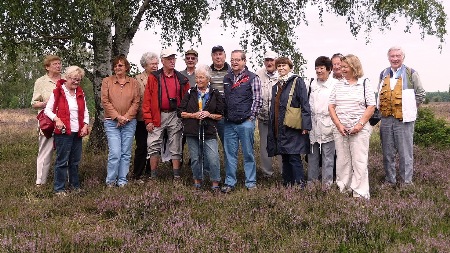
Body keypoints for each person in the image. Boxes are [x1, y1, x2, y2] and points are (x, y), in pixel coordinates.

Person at [328, 54, 375, 199]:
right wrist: (339, 125)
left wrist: (359, 125)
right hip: (341, 130)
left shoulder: (364, 83)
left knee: (359, 161)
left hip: (359, 130)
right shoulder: (337, 85)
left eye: (344, 67)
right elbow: (331, 106)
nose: (341, 69)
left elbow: (371, 106)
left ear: (354, 67)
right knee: (342, 160)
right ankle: (344, 188)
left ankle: (360, 192)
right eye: (341, 67)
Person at [378, 46, 425, 187]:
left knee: (405, 153)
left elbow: (421, 93)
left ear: (403, 57)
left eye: (398, 56)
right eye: (392, 56)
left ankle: (406, 183)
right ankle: (389, 180)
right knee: (387, 152)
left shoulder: (411, 73)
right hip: (386, 119)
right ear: (388, 58)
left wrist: (410, 108)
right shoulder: (383, 73)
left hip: (404, 120)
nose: (395, 59)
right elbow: (379, 93)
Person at [142, 48, 190, 180]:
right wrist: (148, 120)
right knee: (153, 145)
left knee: (176, 145)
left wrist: (184, 116)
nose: (172, 61)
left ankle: (176, 176)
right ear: (162, 61)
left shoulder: (181, 79)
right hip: (158, 115)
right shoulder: (154, 77)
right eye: (169, 58)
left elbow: (187, 99)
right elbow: (147, 100)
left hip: (175, 115)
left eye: (173, 58)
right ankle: (153, 176)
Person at [221, 50, 262, 193]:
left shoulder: (252, 77)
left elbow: (257, 100)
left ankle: (251, 183)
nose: (234, 62)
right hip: (229, 123)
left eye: (238, 60)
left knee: (248, 154)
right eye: (232, 60)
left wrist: (251, 118)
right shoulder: (227, 78)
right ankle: (229, 182)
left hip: (245, 122)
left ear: (244, 61)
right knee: (229, 154)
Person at [44, 66, 89, 196]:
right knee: (62, 161)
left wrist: (85, 125)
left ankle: (75, 187)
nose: (76, 82)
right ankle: (59, 189)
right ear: (67, 78)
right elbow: (48, 110)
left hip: (77, 133)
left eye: (79, 80)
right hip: (63, 133)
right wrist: (56, 119)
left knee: (75, 161)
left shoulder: (80, 93)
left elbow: (85, 111)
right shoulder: (58, 91)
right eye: (74, 79)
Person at [267, 57, 311, 187]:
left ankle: (299, 184)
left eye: (284, 65)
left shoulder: (298, 82)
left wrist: (306, 125)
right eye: (279, 66)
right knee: (284, 156)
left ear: (290, 67)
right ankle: (287, 184)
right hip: (279, 126)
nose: (281, 68)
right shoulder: (276, 86)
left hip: (293, 126)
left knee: (293, 156)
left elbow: (305, 103)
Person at [178, 64, 224, 191]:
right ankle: (197, 182)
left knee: (213, 158)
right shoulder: (190, 92)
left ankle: (215, 183)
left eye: (202, 77)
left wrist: (209, 115)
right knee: (195, 158)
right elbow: (180, 112)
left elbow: (220, 115)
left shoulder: (215, 93)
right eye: (197, 77)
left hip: (209, 130)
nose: (198, 80)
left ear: (208, 79)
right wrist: (194, 115)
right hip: (192, 130)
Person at [101, 55, 140, 188]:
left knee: (125, 153)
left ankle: (122, 180)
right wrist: (118, 117)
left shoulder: (134, 82)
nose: (117, 67)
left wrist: (126, 118)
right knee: (115, 152)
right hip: (111, 122)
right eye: (116, 65)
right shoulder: (107, 81)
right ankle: (110, 181)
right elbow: (105, 101)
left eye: (120, 65)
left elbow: (136, 101)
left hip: (129, 122)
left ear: (126, 67)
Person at [31, 55, 63, 187]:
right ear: (47, 67)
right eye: (55, 64)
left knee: (64, 151)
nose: (58, 66)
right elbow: (34, 103)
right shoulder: (40, 81)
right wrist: (46, 104)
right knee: (45, 151)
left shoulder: (66, 80)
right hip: (47, 122)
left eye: (59, 63)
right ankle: (40, 182)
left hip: (64, 120)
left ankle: (63, 181)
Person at [307, 56, 336, 186]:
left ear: (329, 69)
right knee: (312, 156)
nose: (319, 71)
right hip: (313, 124)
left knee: (328, 157)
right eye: (317, 68)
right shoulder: (311, 84)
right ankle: (311, 184)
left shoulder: (335, 85)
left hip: (329, 124)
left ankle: (327, 185)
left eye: (321, 68)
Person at [133, 52, 159, 183]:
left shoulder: (160, 77)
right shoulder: (137, 80)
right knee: (142, 146)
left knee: (153, 146)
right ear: (144, 65)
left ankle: (150, 172)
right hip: (141, 118)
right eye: (152, 64)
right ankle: (137, 174)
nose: (155, 66)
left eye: (156, 63)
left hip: (157, 118)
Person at [255, 50, 282, 177]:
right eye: (267, 60)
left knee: (282, 144)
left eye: (272, 60)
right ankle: (267, 173)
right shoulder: (258, 74)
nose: (269, 62)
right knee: (264, 145)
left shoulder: (283, 74)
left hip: (280, 117)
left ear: (276, 61)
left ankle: (284, 172)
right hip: (263, 116)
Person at [209, 45, 230, 145]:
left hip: (226, 113)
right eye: (215, 55)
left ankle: (228, 161)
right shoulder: (207, 72)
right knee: (209, 142)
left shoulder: (231, 72)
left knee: (227, 142)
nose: (218, 57)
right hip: (210, 113)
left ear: (225, 56)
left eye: (220, 54)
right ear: (212, 57)